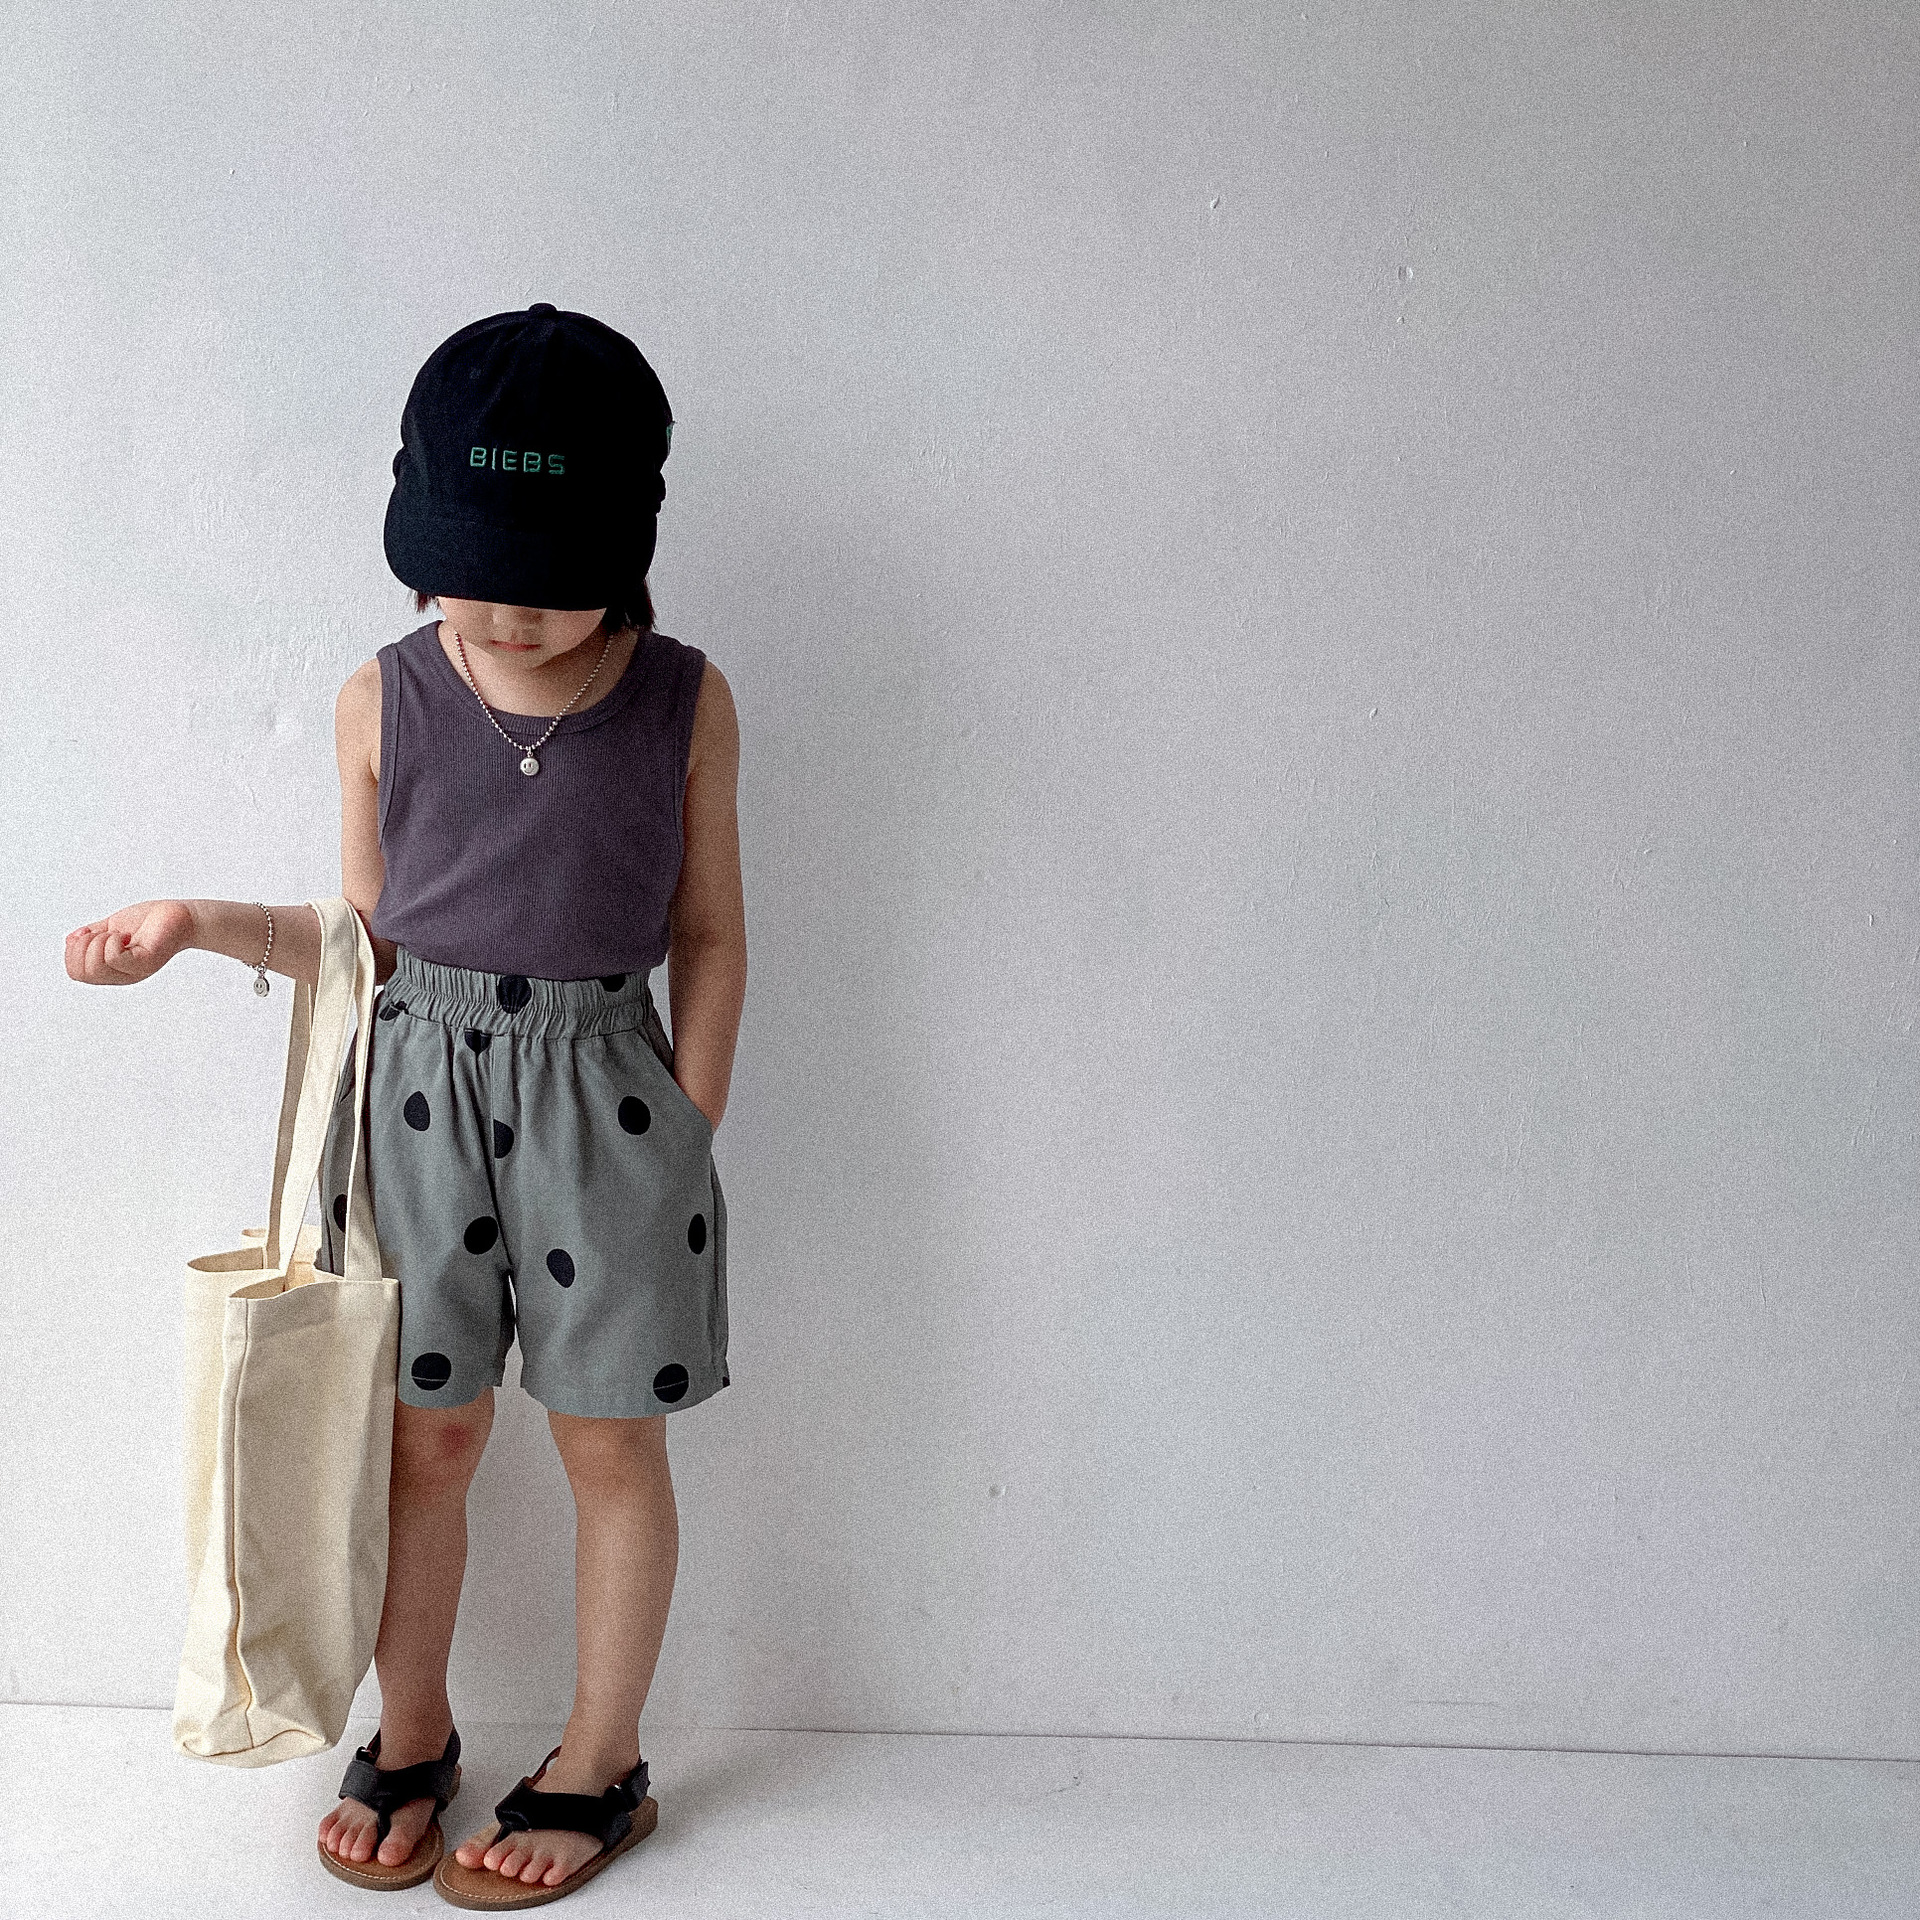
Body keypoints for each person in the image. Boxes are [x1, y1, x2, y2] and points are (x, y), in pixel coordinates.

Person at [64, 303, 747, 1909]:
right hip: (417, 1101)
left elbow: (711, 934)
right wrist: (196, 925)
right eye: (473, 569)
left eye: (551, 575)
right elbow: (365, 943)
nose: (507, 611)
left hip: (607, 1108)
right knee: (425, 1437)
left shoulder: (685, 701)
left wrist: (684, 1127)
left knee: (609, 1442)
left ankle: (602, 1762)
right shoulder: (382, 699)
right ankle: (415, 1729)